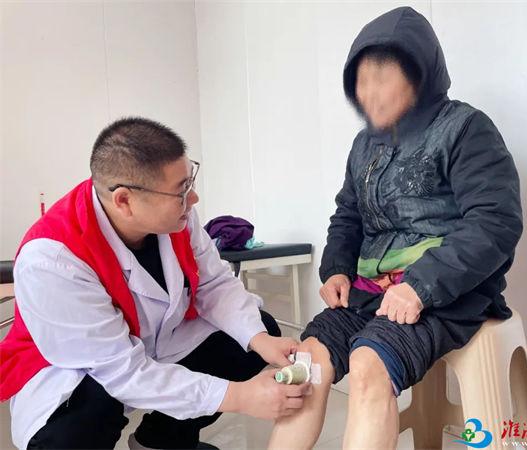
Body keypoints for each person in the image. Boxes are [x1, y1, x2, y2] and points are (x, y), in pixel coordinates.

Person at [268, 6, 523, 450]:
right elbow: (348, 214)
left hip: (445, 293)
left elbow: (495, 222)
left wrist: (420, 287)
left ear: (420, 76)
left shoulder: (466, 128)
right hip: (370, 292)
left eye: (384, 78)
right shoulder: (364, 144)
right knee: (307, 363)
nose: (371, 93)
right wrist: (336, 269)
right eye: (362, 81)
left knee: (369, 365)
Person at [0, 117, 309, 450]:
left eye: (189, 183)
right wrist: (240, 397)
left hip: (154, 343)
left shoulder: (177, 218)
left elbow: (214, 283)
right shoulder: (52, 259)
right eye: (181, 191)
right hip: (76, 371)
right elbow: (122, 371)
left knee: (252, 335)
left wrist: (260, 339)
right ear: (124, 201)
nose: (193, 199)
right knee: (79, 425)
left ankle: (160, 442)